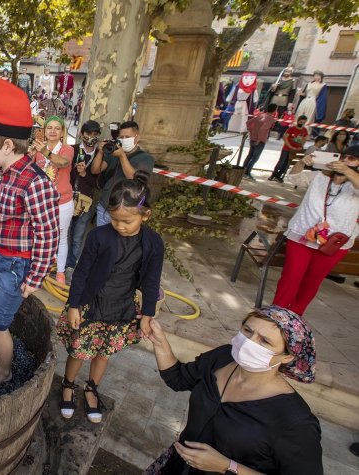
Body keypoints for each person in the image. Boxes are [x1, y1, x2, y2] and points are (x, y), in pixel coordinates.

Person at [143, 306, 322, 475]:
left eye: (265, 341)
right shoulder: (222, 357)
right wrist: (160, 343)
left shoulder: (295, 421)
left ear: (287, 357)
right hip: (177, 467)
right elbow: (178, 379)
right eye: (247, 331)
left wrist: (228, 467)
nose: (248, 343)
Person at [57, 171, 163, 422]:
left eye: (127, 221)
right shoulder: (98, 237)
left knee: (103, 352)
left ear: (145, 215)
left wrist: (147, 315)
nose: (120, 226)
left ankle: (92, 389)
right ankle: (68, 385)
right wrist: (74, 305)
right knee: (79, 350)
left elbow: (150, 282)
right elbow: (81, 273)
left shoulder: (154, 243)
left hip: (122, 307)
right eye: (115, 220)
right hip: (91, 305)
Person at [0, 79, 60, 387]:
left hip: (17, 266)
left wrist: (35, 277)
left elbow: (48, 233)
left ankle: (4, 369)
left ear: (7, 146)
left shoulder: (35, 182)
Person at [271, 145, 359, 315]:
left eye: (351, 159)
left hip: (333, 243)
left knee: (311, 282)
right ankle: (277, 314)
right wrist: (302, 163)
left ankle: (295, 316)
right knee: (291, 278)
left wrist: (348, 171)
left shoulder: (354, 185)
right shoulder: (320, 176)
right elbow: (295, 178)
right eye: (343, 157)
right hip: (302, 236)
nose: (345, 161)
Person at [30, 116, 74, 284]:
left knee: (61, 237)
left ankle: (60, 272)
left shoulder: (67, 149)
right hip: (41, 201)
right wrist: (32, 153)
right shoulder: (38, 148)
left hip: (62, 202)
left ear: (62, 132)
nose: (53, 131)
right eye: (49, 128)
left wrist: (44, 151)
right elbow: (27, 166)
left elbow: (63, 163)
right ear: (44, 131)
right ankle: (38, 269)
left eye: (57, 128)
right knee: (38, 235)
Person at [90, 120, 154, 226]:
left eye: (127, 137)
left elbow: (135, 179)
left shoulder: (146, 158)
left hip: (125, 212)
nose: (124, 140)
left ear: (137, 138)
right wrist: (101, 151)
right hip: (104, 207)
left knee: (119, 242)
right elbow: (95, 170)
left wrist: (122, 156)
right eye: (121, 137)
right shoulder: (113, 152)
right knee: (102, 240)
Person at [66, 120, 103, 276]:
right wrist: (75, 171)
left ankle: (70, 266)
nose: (91, 137)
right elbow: (63, 174)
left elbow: (99, 183)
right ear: (82, 134)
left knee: (77, 236)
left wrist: (84, 174)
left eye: (95, 134)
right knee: (63, 233)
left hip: (85, 202)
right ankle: (57, 263)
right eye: (88, 133)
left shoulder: (100, 156)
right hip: (67, 199)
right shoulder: (72, 150)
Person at [241, 103, 279, 180]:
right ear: (275, 110)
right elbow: (262, 130)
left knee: (250, 155)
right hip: (260, 140)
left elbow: (248, 122)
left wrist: (251, 131)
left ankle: (242, 171)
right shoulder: (270, 119)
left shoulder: (261, 115)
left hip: (253, 138)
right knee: (255, 158)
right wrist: (258, 140)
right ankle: (247, 172)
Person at [269, 115, 309, 182]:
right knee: (281, 162)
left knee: (287, 164)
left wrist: (301, 146)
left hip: (294, 150)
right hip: (287, 148)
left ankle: (279, 176)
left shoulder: (304, 130)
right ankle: (273, 174)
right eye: (301, 122)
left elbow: (305, 139)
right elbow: (285, 137)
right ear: (298, 121)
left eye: (303, 122)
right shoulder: (291, 128)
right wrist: (290, 146)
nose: (301, 123)